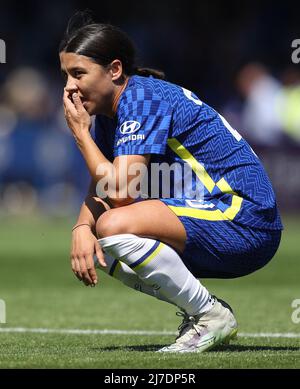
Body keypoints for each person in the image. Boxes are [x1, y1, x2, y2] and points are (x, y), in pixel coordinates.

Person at [59, 13, 283, 353]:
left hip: (245, 219)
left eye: (78, 73)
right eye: (65, 75)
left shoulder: (141, 99)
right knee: (101, 241)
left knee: (114, 225)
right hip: (216, 218)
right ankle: (202, 314)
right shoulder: (111, 113)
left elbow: (120, 192)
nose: (69, 87)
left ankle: (209, 315)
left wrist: (79, 135)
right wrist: (80, 228)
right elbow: (103, 183)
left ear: (115, 70)